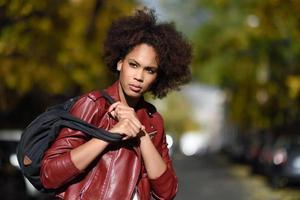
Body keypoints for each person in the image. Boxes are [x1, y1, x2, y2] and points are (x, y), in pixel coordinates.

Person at [40, 8, 192, 200]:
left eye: (150, 70)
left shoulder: (153, 121)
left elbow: (166, 192)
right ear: (120, 63)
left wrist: (141, 133)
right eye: (133, 65)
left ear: (158, 76)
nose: (139, 77)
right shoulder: (92, 105)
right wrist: (109, 135)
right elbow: (49, 175)